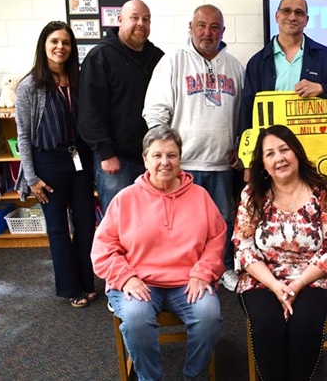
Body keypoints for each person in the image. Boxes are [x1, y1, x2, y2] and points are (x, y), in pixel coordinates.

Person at [91, 126, 226, 381]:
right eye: (157, 155)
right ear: (145, 159)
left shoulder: (200, 196)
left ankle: (194, 375)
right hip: (139, 282)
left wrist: (203, 272)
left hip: (188, 282)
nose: (165, 162)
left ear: (180, 158)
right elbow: (103, 248)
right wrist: (126, 278)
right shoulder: (125, 199)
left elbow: (216, 239)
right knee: (136, 319)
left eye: (172, 155)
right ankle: (149, 378)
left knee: (209, 316)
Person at [143, 4, 244, 293]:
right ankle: (184, 270)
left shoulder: (236, 67)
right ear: (190, 27)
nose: (207, 32)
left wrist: (239, 146)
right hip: (182, 165)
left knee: (223, 221)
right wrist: (161, 156)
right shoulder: (173, 62)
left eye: (214, 27)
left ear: (223, 31)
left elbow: (243, 116)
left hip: (221, 164)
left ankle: (223, 268)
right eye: (201, 25)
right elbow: (155, 112)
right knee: (182, 225)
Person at [233, 124, 327, 381]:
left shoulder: (323, 192)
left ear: (296, 152)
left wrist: (296, 284)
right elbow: (243, 246)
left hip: (313, 276)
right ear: (262, 163)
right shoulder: (252, 195)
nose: (279, 158)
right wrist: (275, 285)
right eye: (269, 153)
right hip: (263, 277)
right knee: (267, 326)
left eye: (284, 149)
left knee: (304, 326)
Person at [15, 21, 97, 308]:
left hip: (80, 160)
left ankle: (87, 281)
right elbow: (23, 135)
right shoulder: (29, 86)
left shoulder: (78, 79)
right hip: (48, 161)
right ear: (44, 46)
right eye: (54, 41)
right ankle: (71, 287)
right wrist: (31, 178)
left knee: (86, 223)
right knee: (58, 227)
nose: (60, 47)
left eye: (66, 42)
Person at [78, 0, 164, 214]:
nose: (140, 23)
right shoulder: (100, 57)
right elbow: (90, 110)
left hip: (152, 157)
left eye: (146, 19)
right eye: (134, 18)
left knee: (151, 218)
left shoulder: (158, 58)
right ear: (120, 20)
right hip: (116, 160)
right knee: (120, 220)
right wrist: (106, 153)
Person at [239, 0, 327, 137]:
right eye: (286, 11)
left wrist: (322, 89)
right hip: (272, 148)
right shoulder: (258, 63)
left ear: (306, 20)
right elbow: (248, 110)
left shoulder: (324, 56)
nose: (292, 17)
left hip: (314, 143)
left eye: (299, 13)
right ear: (277, 16)